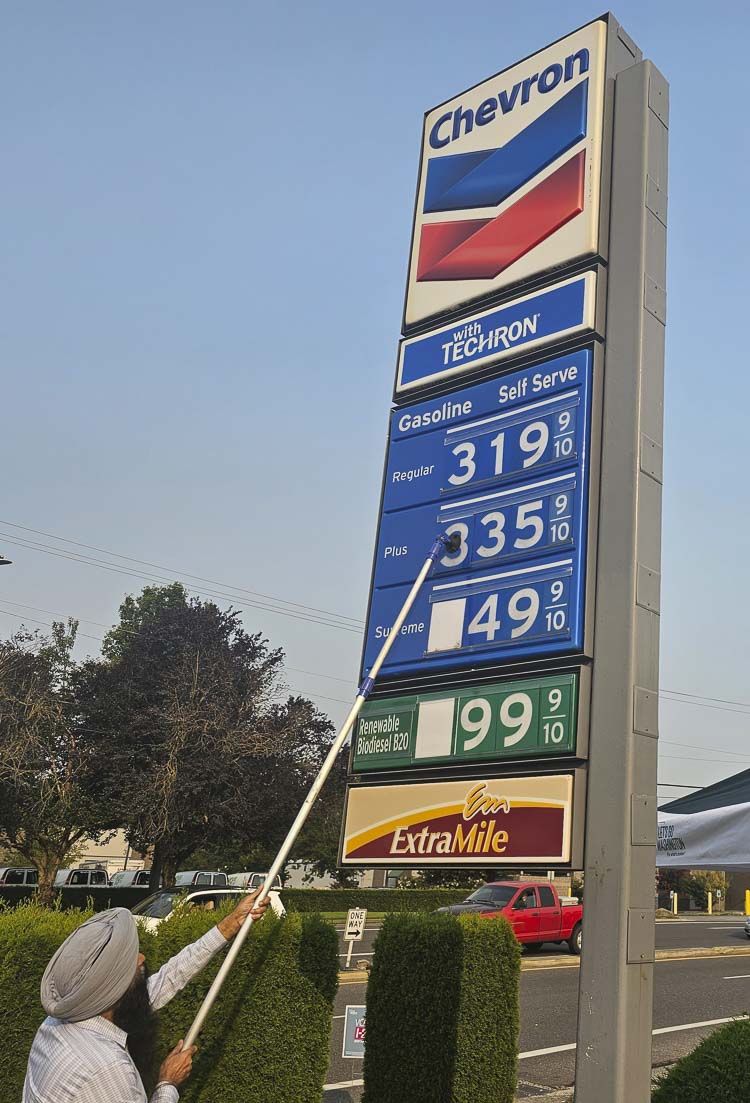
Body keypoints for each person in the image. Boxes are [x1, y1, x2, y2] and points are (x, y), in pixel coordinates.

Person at [23, 889, 269, 1102]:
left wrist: (230, 924)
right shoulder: (108, 1068)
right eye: (130, 962)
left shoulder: (55, 1024)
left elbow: (169, 979)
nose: (142, 959)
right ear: (109, 985)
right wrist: (167, 1084)